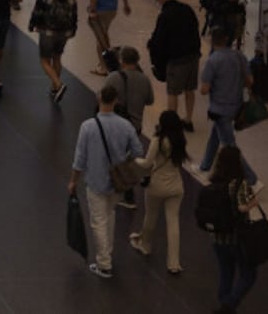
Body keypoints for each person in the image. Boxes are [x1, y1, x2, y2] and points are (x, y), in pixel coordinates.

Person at [68, 83, 144, 279]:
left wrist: (73, 181)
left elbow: (79, 159)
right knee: (110, 214)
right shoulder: (125, 125)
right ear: (116, 100)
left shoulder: (88, 126)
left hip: (95, 180)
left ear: (99, 99)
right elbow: (138, 151)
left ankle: (104, 264)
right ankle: (107, 252)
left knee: (98, 221)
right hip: (117, 182)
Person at [128, 110, 187, 276]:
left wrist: (134, 159)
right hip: (176, 186)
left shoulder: (159, 139)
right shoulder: (180, 140)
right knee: (173, 222)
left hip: (157, 186)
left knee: (151, 216)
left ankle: (145, 245)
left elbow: (147, 163)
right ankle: (174, 263)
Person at [196, 27, 258, 184]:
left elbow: (204, 90)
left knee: (230, 146)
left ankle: (251, 179)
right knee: (215, 136)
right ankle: (205, 166)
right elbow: (250, 81)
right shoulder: (239, 56)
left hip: (219, 109)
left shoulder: (212, 61)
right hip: (236, 106)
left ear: (212, 40)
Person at [206, 144, 261, 312]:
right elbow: (242, 208)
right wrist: (254, 202)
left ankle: (224, 302)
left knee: (226, 272)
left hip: (217, 236)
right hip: (237, 236)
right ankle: (229, 305)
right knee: (249, 274)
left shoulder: (214, 181)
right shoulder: (240, 184)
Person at [148, 0, 203, 128]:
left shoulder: (165, 15)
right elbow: (196, 28)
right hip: (193, 55)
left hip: (177, 60)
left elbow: (159, 41)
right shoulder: (186, 8)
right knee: (189, 89)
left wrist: (155, 58)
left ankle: (171, 124)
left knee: (173, 92)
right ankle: (188, 119)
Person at [28, 0, 79, 102]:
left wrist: (32, 24)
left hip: (47, 31)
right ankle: (54, 88)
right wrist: (73, 29)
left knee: (45, 60)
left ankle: (58, 84)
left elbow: (38, 11)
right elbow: (74, 14)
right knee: (57, 58)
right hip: (64, 33)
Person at [105, 46, 156, 147]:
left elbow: (101, 98)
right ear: (137, 61)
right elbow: (150, 101)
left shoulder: (113, 77)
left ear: (121, 60)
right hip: (135, 127)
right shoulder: (145, 80)